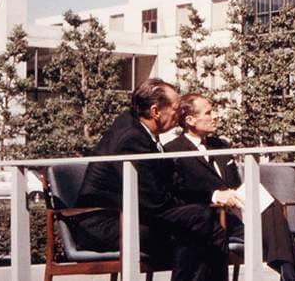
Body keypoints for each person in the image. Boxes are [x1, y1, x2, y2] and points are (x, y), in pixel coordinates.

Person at [74, 79, 230, 281]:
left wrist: (208, 197)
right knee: (199, 223)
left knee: (205, 227)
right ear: (156, 111)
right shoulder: (132, 139)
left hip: (131, 216)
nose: (180, 114)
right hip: (105, 224)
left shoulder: (140, 130)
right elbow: (155, 200)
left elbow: (169, 186)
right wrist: (196, 206)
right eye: (176, 109)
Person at [164, 94, 295, 281]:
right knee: (278, 229)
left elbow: (234, 184)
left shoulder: (221, 146)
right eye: (208, 113)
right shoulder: (173, 150)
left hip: (235, 215)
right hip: (208, 220)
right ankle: (294, 274)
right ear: (190, 120)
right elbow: (180, 191)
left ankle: (290, 273)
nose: (215, 116)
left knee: (270, 204)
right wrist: (214, 196)